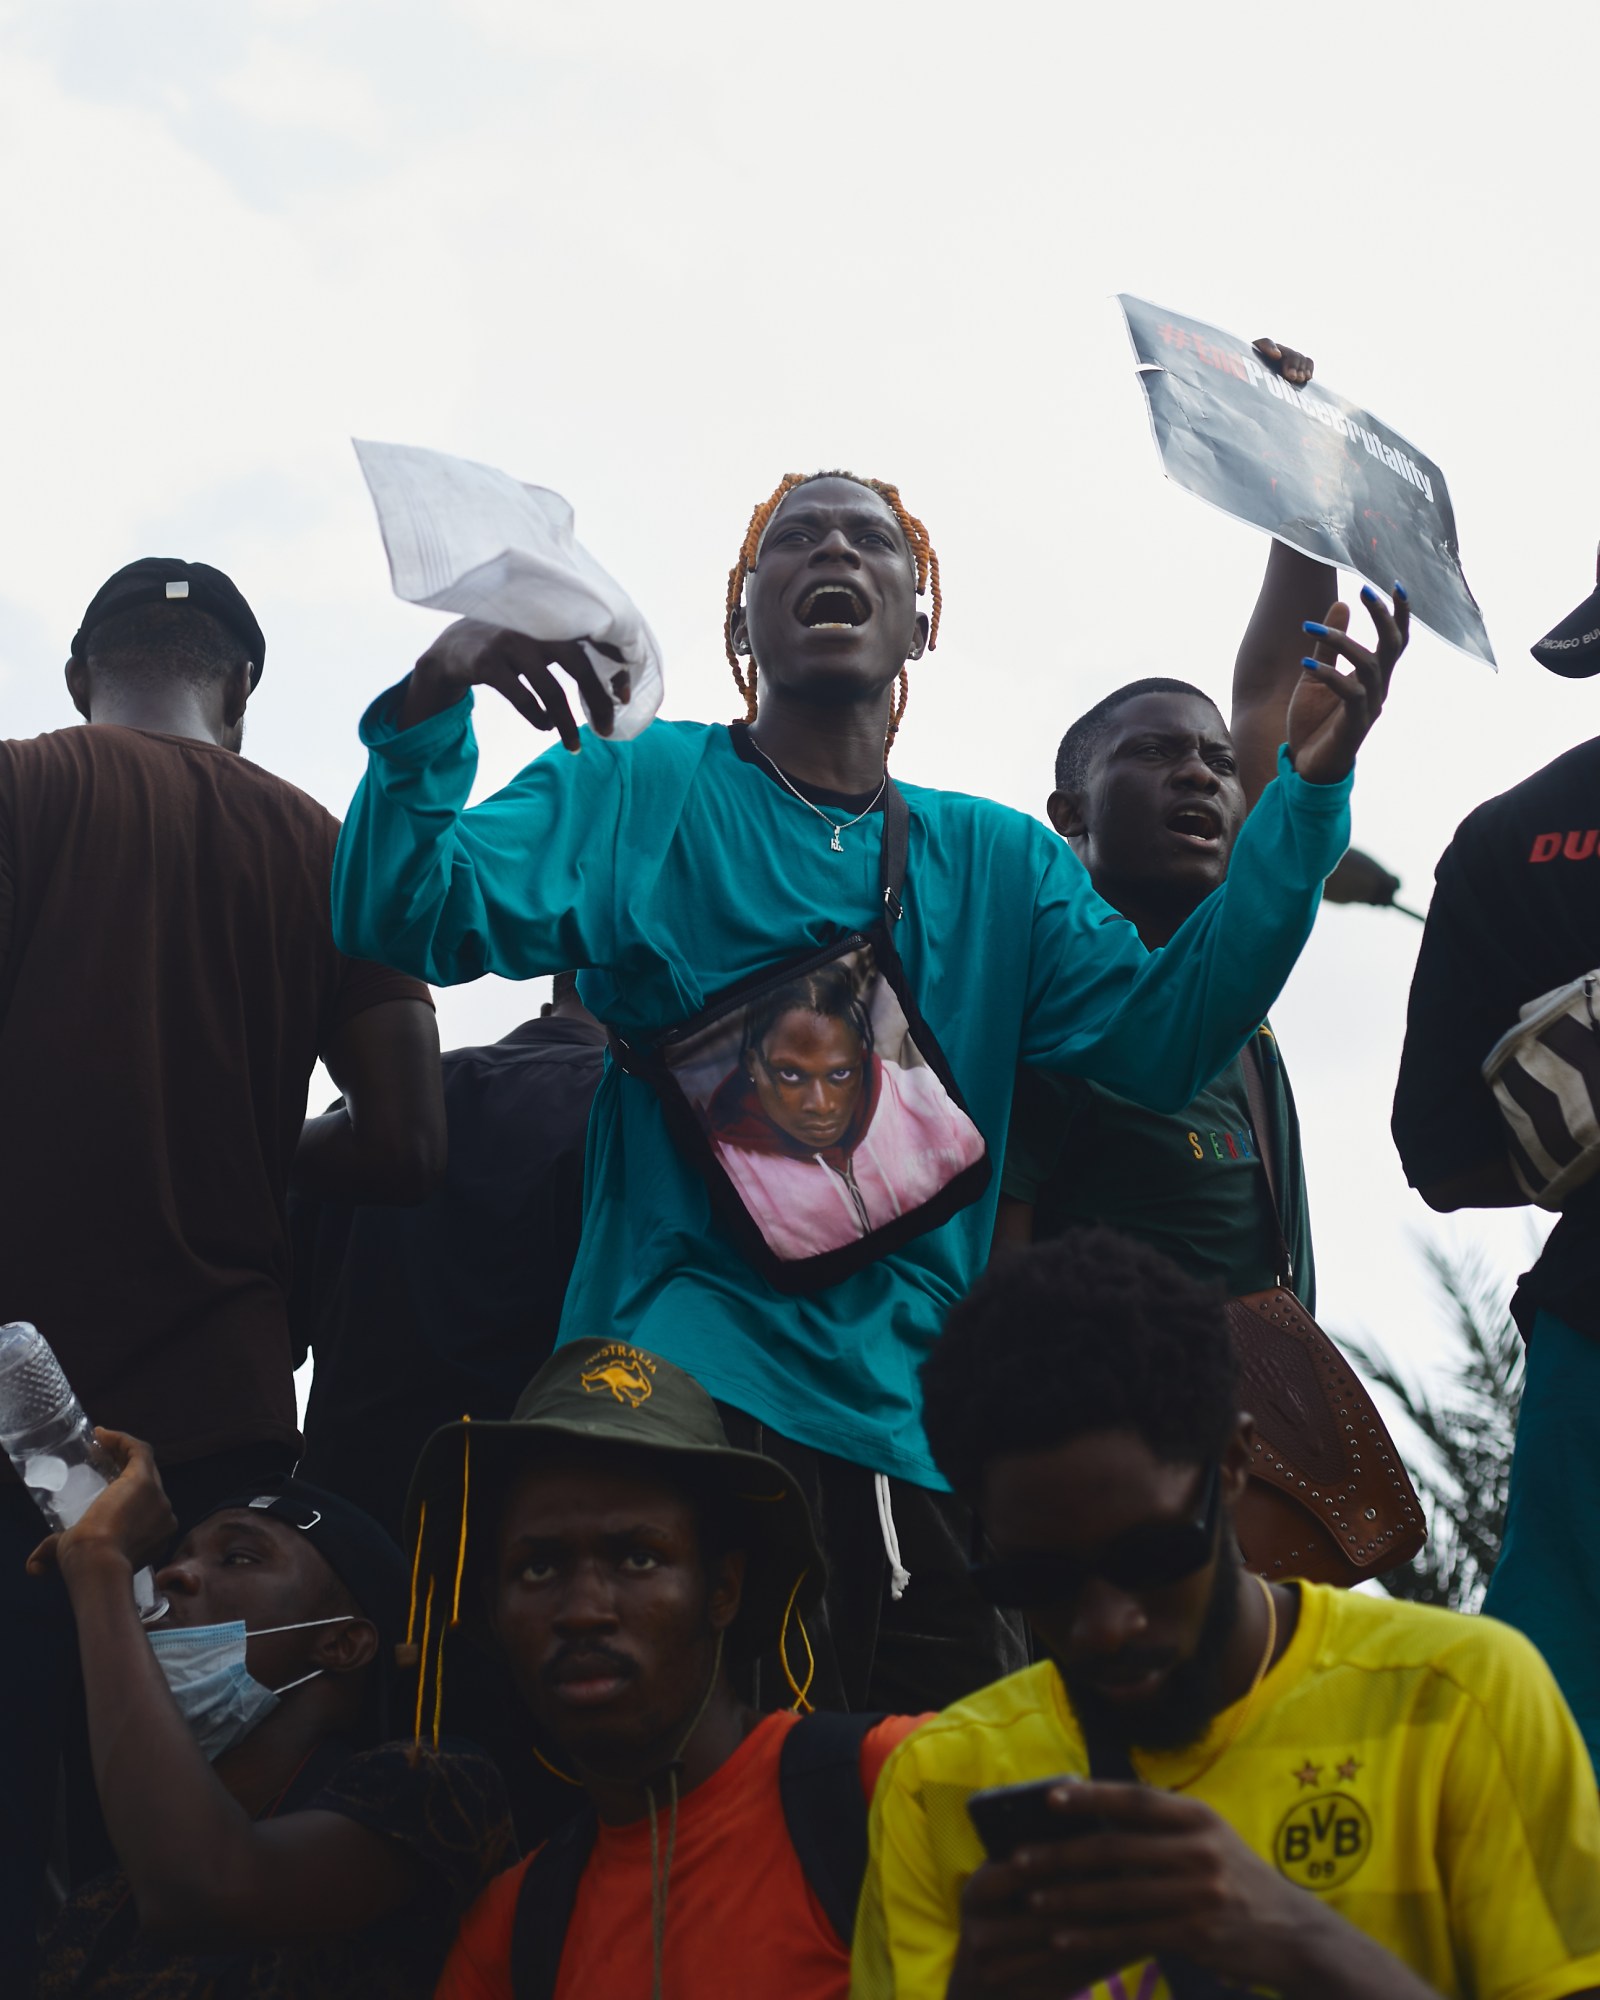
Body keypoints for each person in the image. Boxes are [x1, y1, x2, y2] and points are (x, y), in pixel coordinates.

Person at [332, 468, 1399, 1715]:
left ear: (917, 620)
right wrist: (435, 687)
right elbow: (396, 909)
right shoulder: (633, 790)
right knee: (711, 1822)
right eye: (795, 538)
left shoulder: (1002, 863)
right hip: (686, 1401)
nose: (833, 548)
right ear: (743, 622)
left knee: (932, 1840)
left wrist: (1309, 796)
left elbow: (1163, 1043)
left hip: (916, 1439)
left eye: (872, 540)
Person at [0, 557, 446, 1972]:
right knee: (155, 1855)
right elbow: (409, 1143)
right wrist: (266, 1146)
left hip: (8, 1421)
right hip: (210, 1453)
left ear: (87, 672)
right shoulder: (329, 850)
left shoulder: (20, 790)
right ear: (241, 693)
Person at [851, 1227, 1600, 1999]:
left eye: (1150, 1557)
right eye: (1036, 1579)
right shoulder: (936, 1784)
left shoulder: (1460, 1695)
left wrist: (1304, 1943)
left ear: (1236, 1464)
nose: (1104, 1624)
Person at [998, 342, 1366, 1309]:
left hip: (1261, 1430)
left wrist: (1297, 465)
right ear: (1069, 816)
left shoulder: (1235, 939)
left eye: (1213, 761)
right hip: (1098, 1426)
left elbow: (1277, 697)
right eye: (1156, 755)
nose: (1201, 774)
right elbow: (1007, 1247)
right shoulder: (1039, 990)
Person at [410, 1337, 924, 1999]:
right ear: (491, 1608)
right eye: (538, 1568)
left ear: (722, 1589)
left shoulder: (888, 1791)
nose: (583, 1610)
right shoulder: (510, 1938)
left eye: (637, 1559)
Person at [27, 1439, 513, 1998]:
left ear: (343, 1643)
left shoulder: (433, 1788)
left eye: (238, 1558)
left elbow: (205, 1888)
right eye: (176, 1555)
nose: (171, 1575)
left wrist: (101, 1567)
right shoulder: (100, 1909)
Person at [1392, 546, 1600, 1776]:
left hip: (1592, 1335)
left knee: (1561, 1750)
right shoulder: (1513, 838)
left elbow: (1444, 1148)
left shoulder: (1510, 838)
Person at [293, 971, 608, 1541]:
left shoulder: (373, 1110)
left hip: (343, 1532)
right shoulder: (641, 1128)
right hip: (533, 1537)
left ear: (549, 1003)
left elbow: (276, 1329)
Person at [707, 965, 985, 1258]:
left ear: (861, 1056)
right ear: (752, 1064)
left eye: (840, 1073)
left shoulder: (916, 1098)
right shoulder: (729, 1160)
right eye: (790, 1075)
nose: (822, 1105)